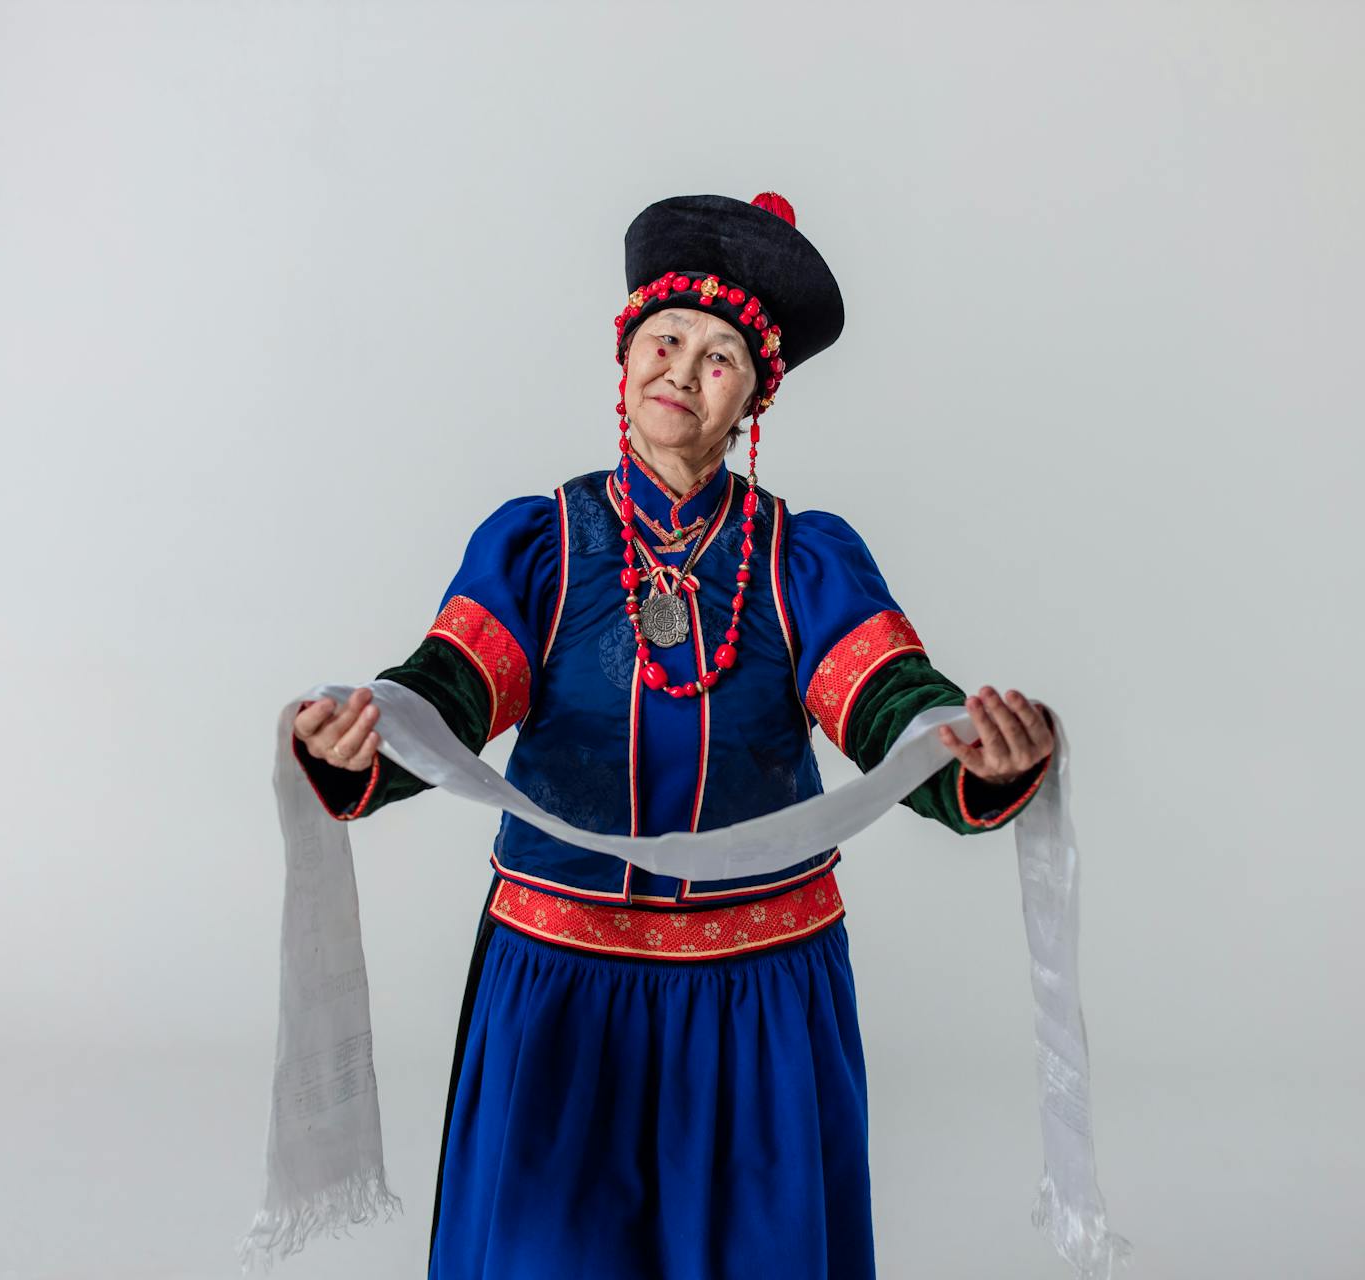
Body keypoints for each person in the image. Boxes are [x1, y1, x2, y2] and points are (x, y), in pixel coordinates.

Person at [290, 192, 1057, 1280]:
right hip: (563, 976)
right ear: (625, 358)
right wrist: (366, 737)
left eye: (720, 358)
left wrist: (970, 752)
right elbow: (448, 691)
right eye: (665, 341)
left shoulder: (800, 559)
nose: (682, 371)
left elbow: (891, 702)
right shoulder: (543, 545)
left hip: (758, 989)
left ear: (754, 397)